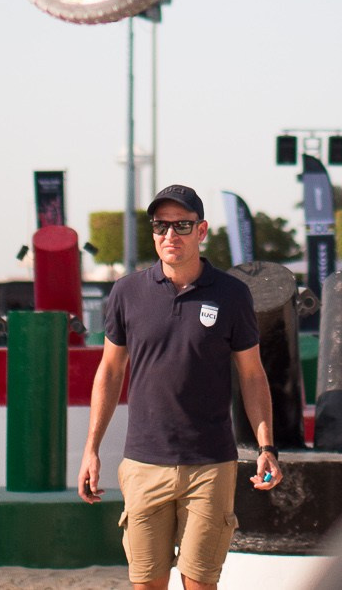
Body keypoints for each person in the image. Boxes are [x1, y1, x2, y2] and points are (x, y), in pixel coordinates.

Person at [80, 185, 283, 590]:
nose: (170, 236)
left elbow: (252, 375)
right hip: (142, 464)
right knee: (146, 584)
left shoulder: (232, 294)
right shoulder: (126, 292)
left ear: (201, 230)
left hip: (210, 464)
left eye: (182, 225)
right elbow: (109, 371)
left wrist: (266, 447)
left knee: (199, 584)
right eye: (161, 226)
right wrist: (92, 449)